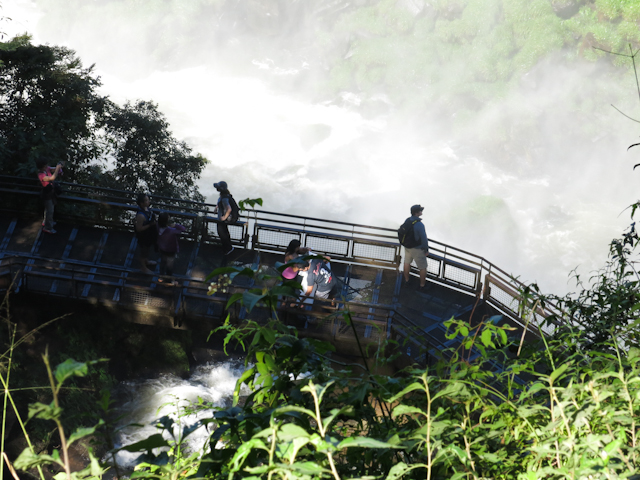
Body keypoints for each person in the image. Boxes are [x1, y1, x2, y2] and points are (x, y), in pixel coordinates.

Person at [402, 204, 429, 288]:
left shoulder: (408, 220)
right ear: (417, 213)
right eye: (420, 210)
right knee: (422, 267)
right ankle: (422, 285)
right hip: (417, 249)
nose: (422, 211)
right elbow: (424, 238)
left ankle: (406, 280)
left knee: (407, 263)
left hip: (407, 247)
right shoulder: (419, 224)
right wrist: (426, 250)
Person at [157, 212, 186, 285]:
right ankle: (169, 280)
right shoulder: (171, 230)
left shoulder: (157, 227)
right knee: (169, 265)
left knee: (163, 262)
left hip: (162, 248)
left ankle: (161, 277)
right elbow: (183, 229)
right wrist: (176, 225)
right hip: (171, 250)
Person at [36, 158, 63, 234]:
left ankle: (47, 221)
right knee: (50, 210)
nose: (47, 166)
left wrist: (59, 167)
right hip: (46, 194)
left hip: (51, 192)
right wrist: (58, 169)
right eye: (45, 165)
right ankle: (48, 227)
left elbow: (53, 169)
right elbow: (52, 178)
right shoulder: (41, 175)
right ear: (42, 167)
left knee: (49, 209)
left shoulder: (47, 169)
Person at [134, 193, 157, 274]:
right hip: (143, 236)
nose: (148, 201)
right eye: (146, 200)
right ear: (141, 203)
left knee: (147, 249)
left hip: (149, 234)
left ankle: (146, 261)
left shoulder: (146, 209)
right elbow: (139, 228)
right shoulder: (140, 215)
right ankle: (143, 267)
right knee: (143, 251)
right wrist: (150, 225)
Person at [213, 181, 235, 255]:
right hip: (222, 219)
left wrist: (224, 218)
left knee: (222, 234)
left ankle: (228, 249)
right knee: (224, 233)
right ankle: (227, 249)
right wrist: (216, 207)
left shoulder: (224, 197)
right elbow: (221, 203)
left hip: (222, 219)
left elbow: (229, 209)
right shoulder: (224, 196)